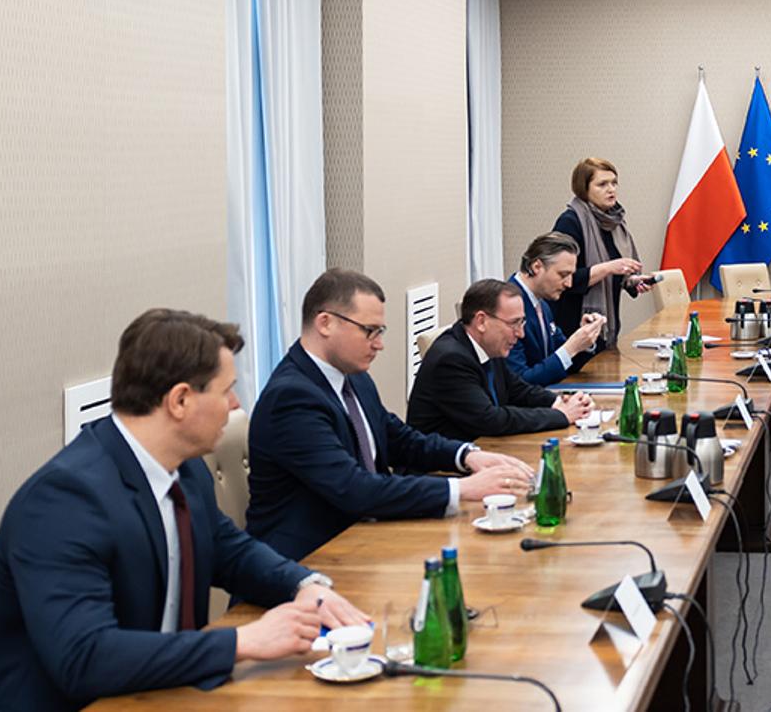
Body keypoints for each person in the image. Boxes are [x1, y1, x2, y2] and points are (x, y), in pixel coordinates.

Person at [0, 310, 367, 710]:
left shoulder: (184, 470)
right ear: (180, 401)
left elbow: (229, 550)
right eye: (226, 391)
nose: (236, 405)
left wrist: (304, 585)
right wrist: (241, 642)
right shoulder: (66, 500)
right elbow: (84, 658)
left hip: (154, 692)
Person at [247, 269, 535, 560]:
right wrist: (461, 489)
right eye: (369, 331)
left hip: (366, 537)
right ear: (326, 323)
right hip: (310, 559)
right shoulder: (292, 397)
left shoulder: (353, 377)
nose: (379, 344)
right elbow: (354, 488)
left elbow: (398, 438)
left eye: (380, 332)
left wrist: (467, 455)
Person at [408, 278, 597, 440]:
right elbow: (490, 420)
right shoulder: (451, 359)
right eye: (514, 323)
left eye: (521, 322)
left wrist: (561, 402)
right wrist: (560, 415)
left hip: (485, 451)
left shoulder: (489, 345)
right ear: (481, 321)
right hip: (442, 471)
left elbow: (518, 390)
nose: (521, 333)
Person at [552, 157, 654, 346]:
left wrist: (630, 281)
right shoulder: (570, 222)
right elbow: (562, 279)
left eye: (614, 183)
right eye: (602, 184)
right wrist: (608, 268)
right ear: (584, 189)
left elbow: (615, 272)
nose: (611, 189)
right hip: (574, 325)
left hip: (607, 322)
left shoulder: (614, 222)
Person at [508, 231, 606, 387]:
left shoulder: (542, 303)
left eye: (571, 275)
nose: (568, 284)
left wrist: (584, 340)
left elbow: (564, 361)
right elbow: (521, 382)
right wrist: (570, 348)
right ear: (537, 266)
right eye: (563, 274)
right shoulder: (508, 306)